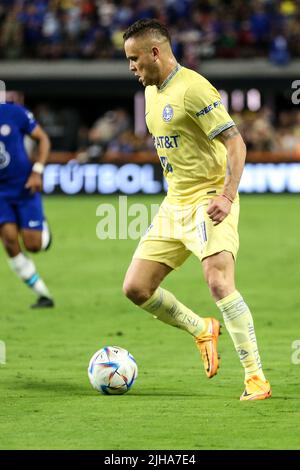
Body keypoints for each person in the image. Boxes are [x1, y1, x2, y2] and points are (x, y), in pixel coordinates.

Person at [122, 19, 271, 401]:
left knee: (219, 281)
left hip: (209, 199)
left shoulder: (193, 88)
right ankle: (201, 327)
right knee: (136, 288)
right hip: (175, 204)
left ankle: (256, 378)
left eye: (135, 59)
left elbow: (236, 144)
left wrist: (225, 195)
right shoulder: (154, 92)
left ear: (155, 52)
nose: (132, 68)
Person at [0, 100, 54, 308]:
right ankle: (43, 294)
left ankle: (41, 224)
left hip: (24, 186)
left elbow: (43, 139)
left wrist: (37, 171)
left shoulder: (13, 113)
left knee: (34, 245)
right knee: (10, 241)